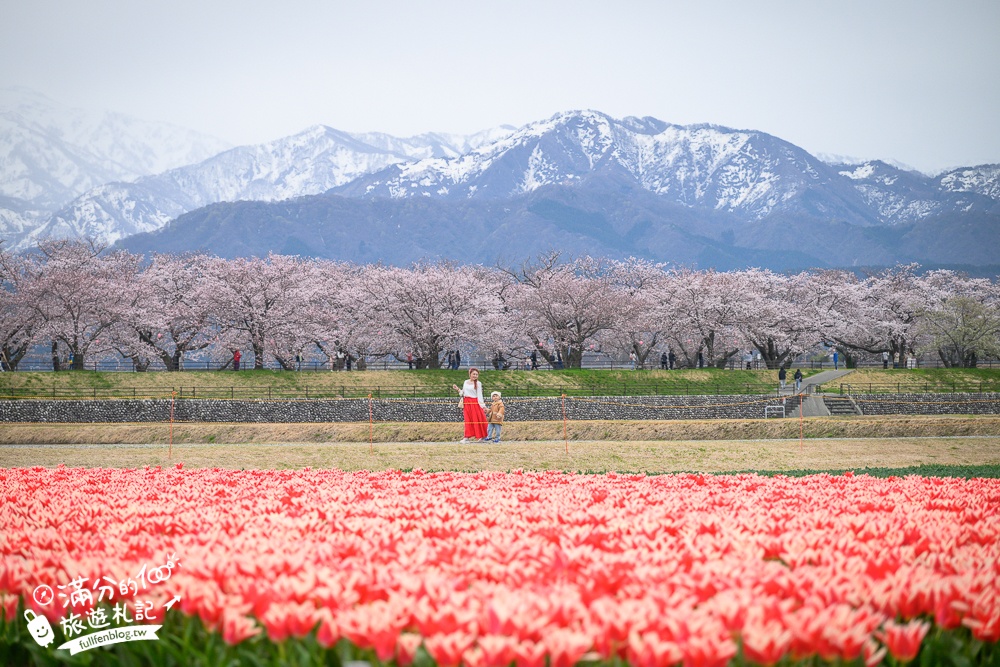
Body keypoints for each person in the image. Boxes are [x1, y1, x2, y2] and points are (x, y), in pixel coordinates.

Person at [452, 367, 488, 443]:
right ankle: (467, 437)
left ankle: (483, 436)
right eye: (474, 374)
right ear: (470, 374)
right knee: (468, 420)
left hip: (475, 402)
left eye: (476, 374)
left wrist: (483, 406)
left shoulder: (478, 383)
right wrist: (457, 389)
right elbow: (463, 393)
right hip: (466, 402)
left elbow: (479, 395)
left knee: (478, 419)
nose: (475, 376)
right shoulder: (465, 382)